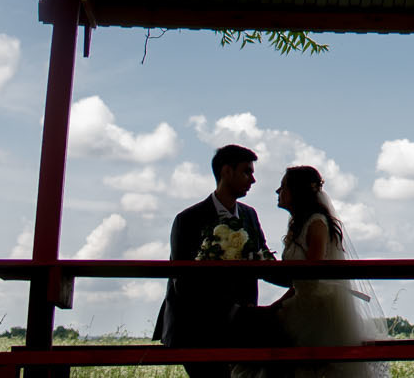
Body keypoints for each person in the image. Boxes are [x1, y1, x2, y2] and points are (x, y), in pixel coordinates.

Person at [156, 144, 276, 378]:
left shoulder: (250, 215)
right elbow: (183, 282)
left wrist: (301, 281)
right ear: (226, 172)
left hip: (240, 328)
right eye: (246, 172)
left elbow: (263, 261)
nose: (253, 180)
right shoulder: (188, 219)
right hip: (196, 329)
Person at [267, 165, 383, 378]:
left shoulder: (317, 224)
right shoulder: (297, 225)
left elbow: (311, 276)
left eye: (283, 186)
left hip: (315, 308)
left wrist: (277, 305)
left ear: (297, 190)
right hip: (301, 300)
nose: (278, 192)